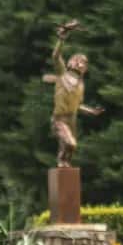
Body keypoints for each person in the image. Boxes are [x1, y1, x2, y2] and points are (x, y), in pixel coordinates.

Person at [43, 19, 102, 168]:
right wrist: (62, 38)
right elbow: (56, 56)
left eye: (85, 63)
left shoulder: (81, 84)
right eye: (79, 61)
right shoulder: (63, 74)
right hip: (59, 119)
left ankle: (63, 164)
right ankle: (62, 164)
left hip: (72, 120)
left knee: (69, 151)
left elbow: (78, 105)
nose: (82, 64)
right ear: (71, 63)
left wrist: (91, 111)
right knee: (71, 143)